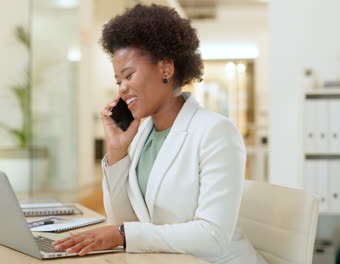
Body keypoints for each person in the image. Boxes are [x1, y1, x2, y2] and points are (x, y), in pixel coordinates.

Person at [53, 4, 267, 264]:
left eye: (129, 75)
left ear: (165, 68)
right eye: (118, 81)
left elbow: (212, 236)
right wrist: (118, 150)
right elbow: (124, 221)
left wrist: (122, 235)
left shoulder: (216, 132)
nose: (122, 89)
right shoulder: (144, 134)